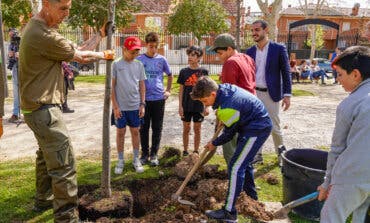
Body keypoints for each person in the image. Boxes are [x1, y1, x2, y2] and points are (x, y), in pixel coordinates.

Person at [19, 0, 114, 221]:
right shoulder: (44, 35)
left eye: (69, 8)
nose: (67, 14)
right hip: (44, 110)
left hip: (35, 108)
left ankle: (44, 199)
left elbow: (77, 50)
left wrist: (99, 36)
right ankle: (67, 218)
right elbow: (81, 57)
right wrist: (106, 54)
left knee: (46, 156)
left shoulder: (40, 29)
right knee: (64, 164)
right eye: (62, 8)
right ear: (46, 5)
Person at [190, 76, 272, 222]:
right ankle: (252, 198)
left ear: (213, 94)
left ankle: (229, 213)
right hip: (249, 124)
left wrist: (214, 142)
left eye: (204, 101)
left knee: (235, 166)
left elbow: (229, 133)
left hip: (256, 129)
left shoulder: (228, 108)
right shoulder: (223, 90)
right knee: (243, 164)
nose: (204, 105)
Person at [317, 46, 370, 223]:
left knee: (330, 216)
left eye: (339, 74)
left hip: (353, 175)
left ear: (355, 74)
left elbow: (337, 148)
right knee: (360, 214)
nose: (338, 80)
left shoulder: (351, 104)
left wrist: (327, 183)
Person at [246, 20, 292, 164]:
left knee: (274, 126)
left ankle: (281, 156)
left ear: (266, 31)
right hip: (254, 94)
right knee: (255, 125)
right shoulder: (250, 51)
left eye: (257, 30)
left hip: (271, 94)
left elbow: (286, 71)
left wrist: (287, 94)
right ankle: (257, 155)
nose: (254, 33)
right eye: (252, 30)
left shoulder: (278, 48)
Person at [209, 33, 256, 165]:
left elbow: (228, 96)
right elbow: (246, 81)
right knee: (244, 151)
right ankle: (245, 181)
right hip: (251, 109)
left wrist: (221, 116)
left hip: (237, 112)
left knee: (231, 151)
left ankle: (234, 181)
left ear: (229, 49)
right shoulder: (247, 58)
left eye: (220, 53)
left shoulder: (230, 63)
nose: (218, 57)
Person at [112, 36, 146, 174]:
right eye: (132, 52)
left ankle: (136, 159)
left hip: (135, 106)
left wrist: (142, 104)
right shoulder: (116, 65)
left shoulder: (139, 65)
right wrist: (115, 106)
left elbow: (142, 85)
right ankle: (120, 160)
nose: (135, 55)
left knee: (135, 132)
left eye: (137, 52)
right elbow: (111, 87)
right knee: (120, 132)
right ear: (124, 49)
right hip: (120, 107)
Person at [137, 32, 172, 166]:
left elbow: (170, 75)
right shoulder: (140, 60)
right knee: (144, 128)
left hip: (158, 99)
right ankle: (144, 154)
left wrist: (168, 90)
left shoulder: (162, 60)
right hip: (144, 100)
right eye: (150, 46)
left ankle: (154, 154)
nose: (152, 49)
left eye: (155, 47)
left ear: (158, 46)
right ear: (146, 45)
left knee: (157, 127)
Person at [178, 45, 209, 156]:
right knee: (186, 128)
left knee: (197, 128)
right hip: (186, 105)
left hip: (199, 106)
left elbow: (207, 90)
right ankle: (185, 151)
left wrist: (207, 107)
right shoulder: (183, 72)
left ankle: (196, 151)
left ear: (199, 57)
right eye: (189, 55)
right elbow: (181, 90)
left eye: (193, 55)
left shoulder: (204, 71)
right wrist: (180, 106)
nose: (190, 57)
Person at [7, 28, 21, 123]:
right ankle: (16, 113)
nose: (11, 37)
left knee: (25, 91)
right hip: (15, 69)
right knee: (16, 92)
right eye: (10, 35)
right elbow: (9, 58)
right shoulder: (10, 45)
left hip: (24, 69)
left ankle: (28, 113)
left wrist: (21, 55)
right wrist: (10, 55)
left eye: (12, 35)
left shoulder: (23, 43)